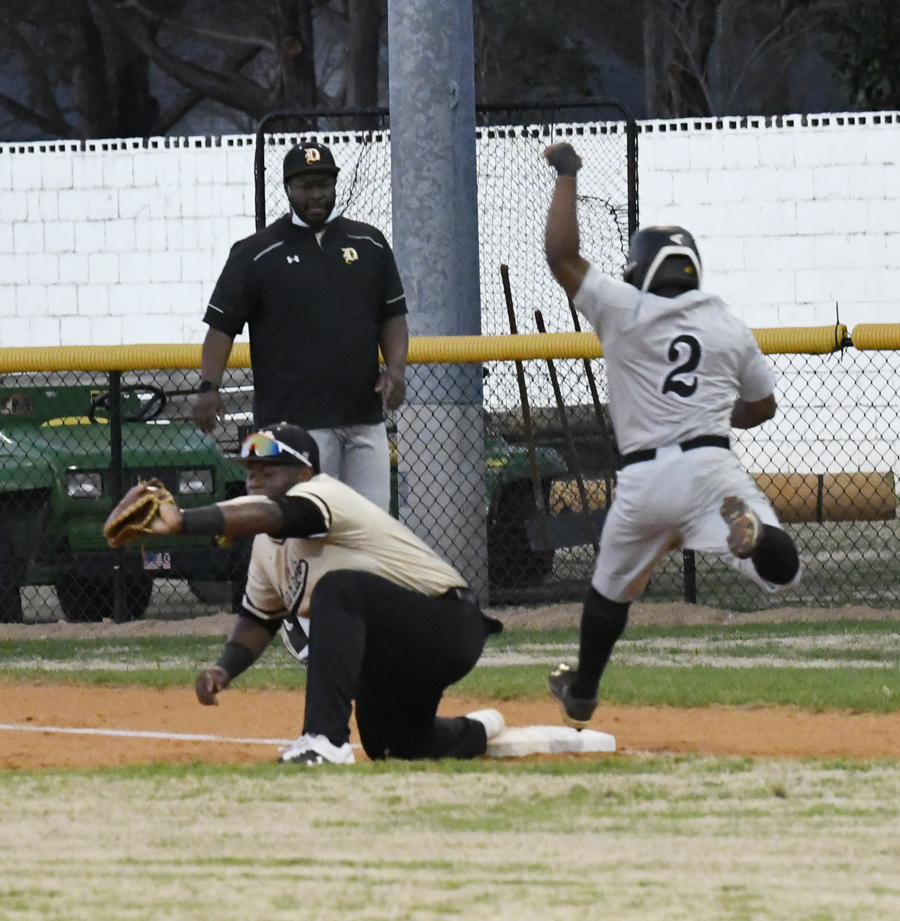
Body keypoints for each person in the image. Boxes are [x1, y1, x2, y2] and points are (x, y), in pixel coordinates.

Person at [541, 142, 801, 728]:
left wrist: (568, 174)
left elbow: (560, 253)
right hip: (712, 470)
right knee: (782, 574)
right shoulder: (728, 324)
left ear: (641, 269)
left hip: (643, 478)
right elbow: (762, 406)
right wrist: (715, 417)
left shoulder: (624, 307)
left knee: (609, 593)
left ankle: (582, 691)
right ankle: (757, 540)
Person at [134, 422, 505, 765]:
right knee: (392, 747)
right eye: (250, 473)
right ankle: (482, 731)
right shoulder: (265, 547)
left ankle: (324, 740)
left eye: (269, 471)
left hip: (448, 624)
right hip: (395, 650)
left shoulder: (324, 493)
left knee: (339, 588)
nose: (255, 481)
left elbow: (279, 513)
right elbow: (259, 619)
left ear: (304, 474)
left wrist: (183, 520)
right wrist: (223, 670)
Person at [192, 141, 408, 515]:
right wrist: (209, 387)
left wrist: (396, 370)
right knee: (311, 527)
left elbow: (392, 315)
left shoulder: (369, 243)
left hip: (363, 418)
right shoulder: (256, 252)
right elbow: (221, 328)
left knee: (371, 528)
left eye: (324, 183)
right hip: (296, 426)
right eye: (306, 185)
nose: (317, 194)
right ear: (288, 188)